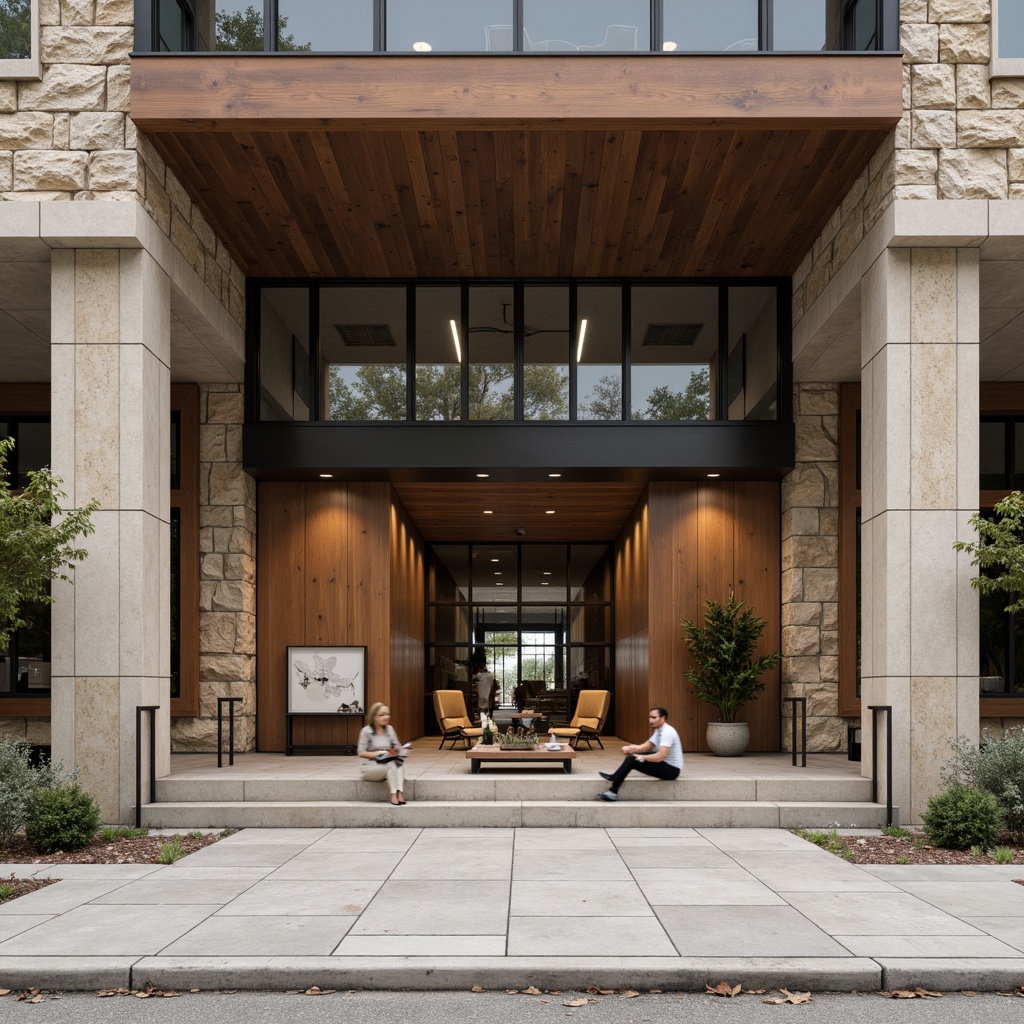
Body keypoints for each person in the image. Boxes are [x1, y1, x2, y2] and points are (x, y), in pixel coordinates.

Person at [597, 706, 682, 801]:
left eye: (654, 718)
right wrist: (631, 749)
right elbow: (647, 746)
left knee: (632, 760)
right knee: (631, 757)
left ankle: (613, 789)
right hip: (666, 765)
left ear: (662, 718)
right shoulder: (659, 730)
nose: (650, 720)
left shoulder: (667, 732)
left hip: (672, 771)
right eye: (650, 717)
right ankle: (613, 786)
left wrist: (641, 757)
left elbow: (660, 756)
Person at [357, 702, 410, 805]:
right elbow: (361, 752)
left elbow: (397, 747)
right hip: (370, 767)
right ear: (374, 717)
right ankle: (393, 795)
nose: (386, 717)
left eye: (387, 714)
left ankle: (398, 793)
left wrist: (403, 750)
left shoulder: (389, 729)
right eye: (381, 715)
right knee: (392, 765)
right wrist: (378, 753)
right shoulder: (366, 731)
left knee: (398, 762)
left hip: (386, 764)